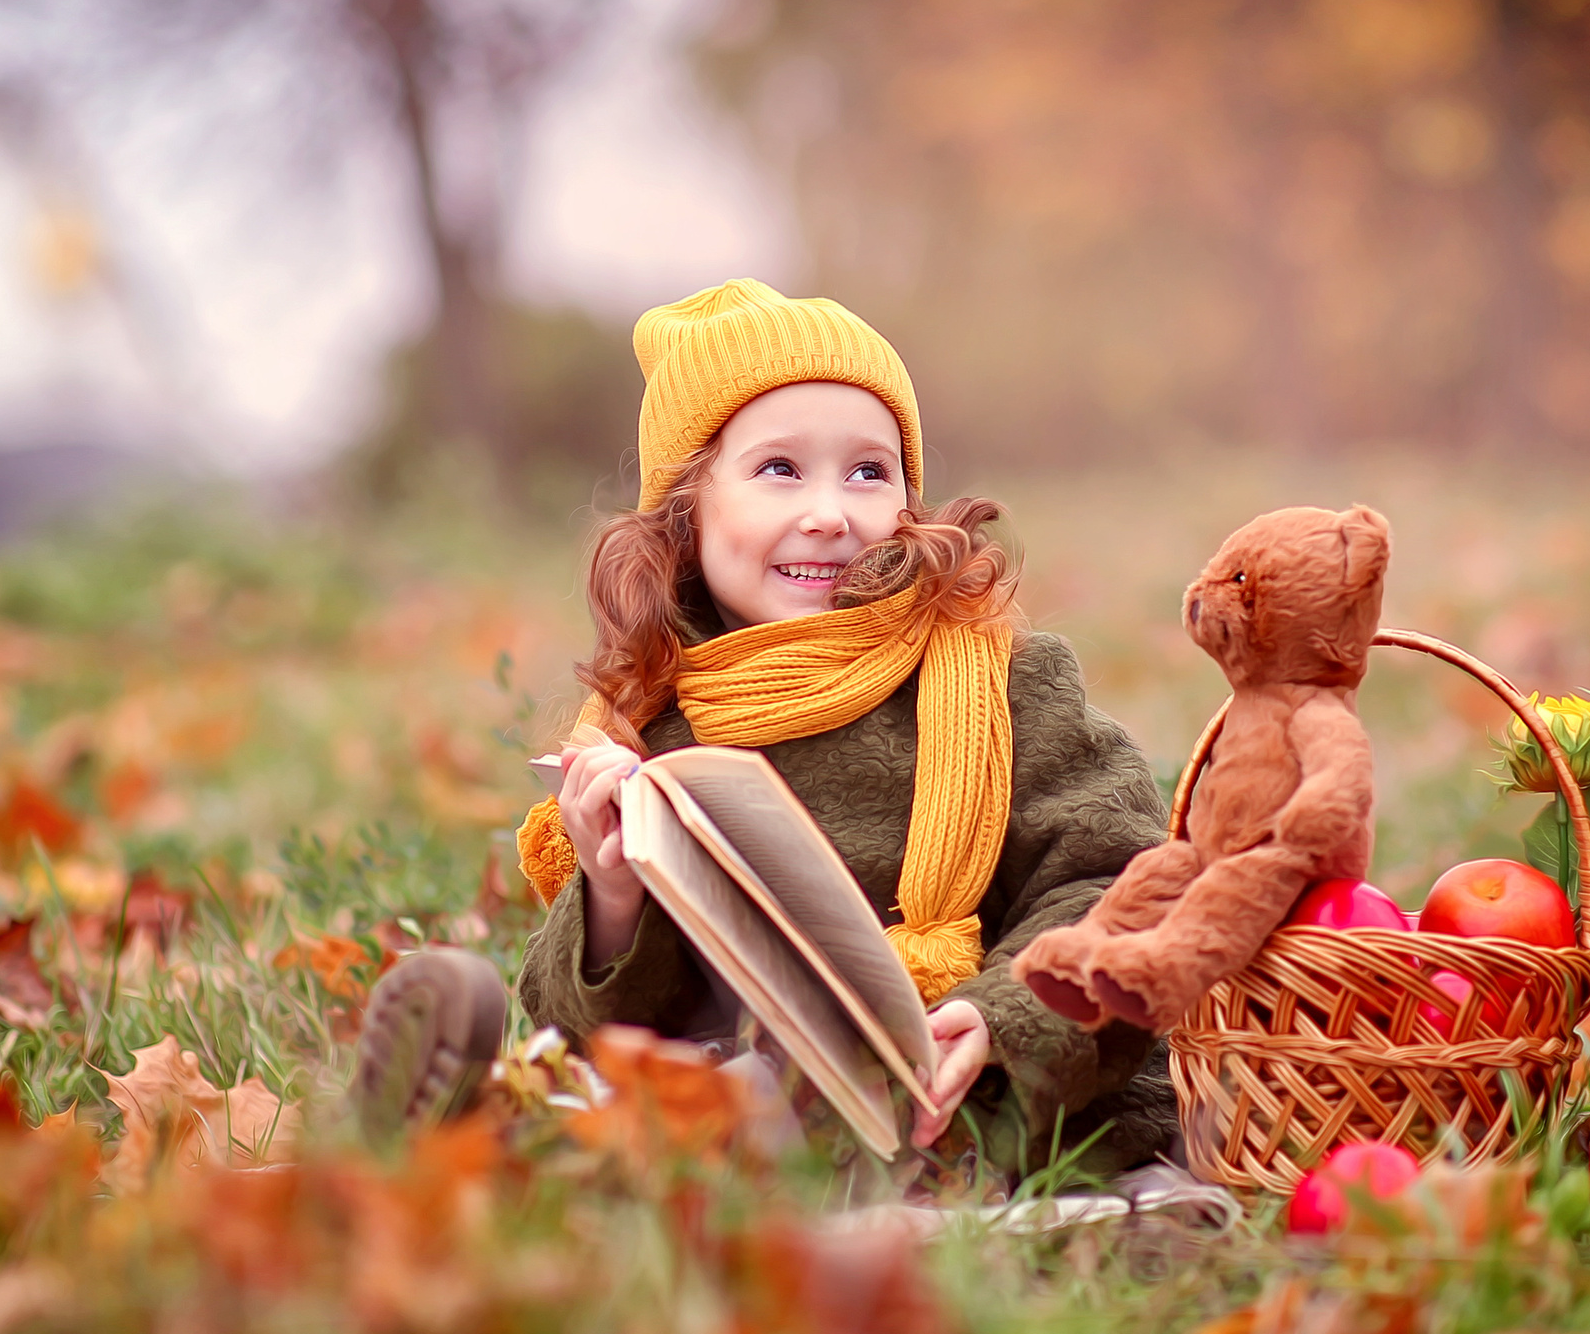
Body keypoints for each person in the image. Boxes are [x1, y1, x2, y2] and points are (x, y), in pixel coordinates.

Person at [351, 279, 1177, 1183]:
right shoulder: (657, 724)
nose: (829, 512)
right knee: (675, 1103)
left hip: (980, 1090)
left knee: (718, 1141)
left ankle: (510, 1148)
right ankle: (476, 1123)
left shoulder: (1000, 680)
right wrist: (613, 892)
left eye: (869, 472)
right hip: (758, 1095)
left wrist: (1000, 1015)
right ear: (688, 512)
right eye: (780, 469)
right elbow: (597, 1024)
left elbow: (1118, 876)